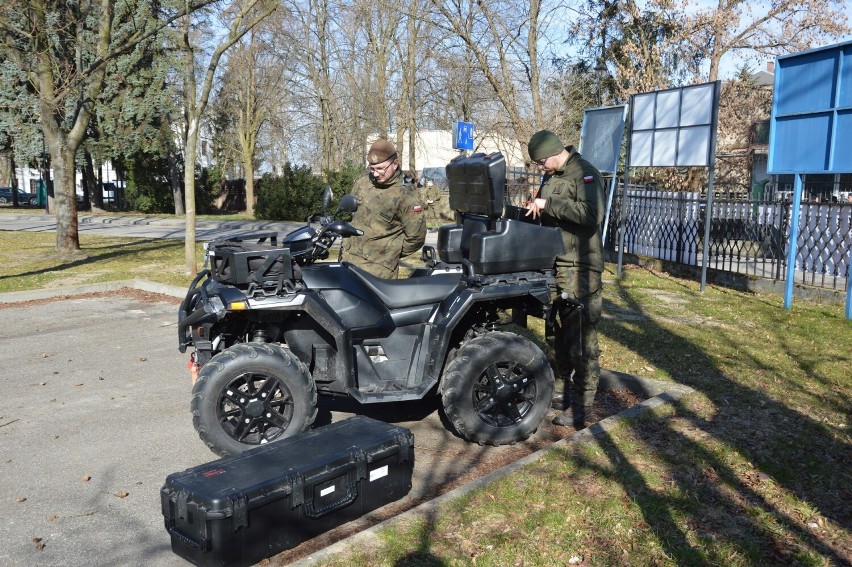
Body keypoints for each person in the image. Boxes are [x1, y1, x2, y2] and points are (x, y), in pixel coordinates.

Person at [524, 130, 605, 429]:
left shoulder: (585, 174)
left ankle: (582, 407)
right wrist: (537, 209)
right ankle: (560, 393)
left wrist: (549, 206)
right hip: (555, 266)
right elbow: (553, 214)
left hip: (581, 268)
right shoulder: (553, 175)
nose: (540, 168)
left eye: (541, 162)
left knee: (581, 342)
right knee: (555, 335)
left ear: (555, 152)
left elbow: (591, 214)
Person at [344, 139, 426, 278]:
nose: (375, 174)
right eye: (372, 168)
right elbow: (350, 215)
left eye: (381, 168)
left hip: (378, 273)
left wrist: (389, 253)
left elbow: (416, 238)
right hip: (349, 262)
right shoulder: (362, 182)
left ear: (395, 163)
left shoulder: (406, 195)